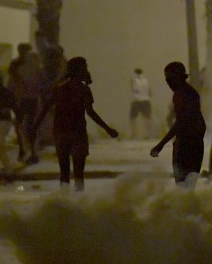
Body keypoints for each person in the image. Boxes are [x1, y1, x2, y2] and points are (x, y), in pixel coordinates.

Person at [33, 56, 118, 191]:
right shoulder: (83, 90)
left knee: (64, 173)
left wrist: (34, 127)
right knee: (79, 174)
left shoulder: (59, 88)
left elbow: (45, 108)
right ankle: (78, 202)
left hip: (60, 132)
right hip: (77, 133)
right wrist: (107, 129)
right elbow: (91, 113)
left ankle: (64, 201)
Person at [151, 61, 205, 186]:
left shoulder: (184, 94)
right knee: (187, 185)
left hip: (188, 144)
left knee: (183, 185)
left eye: (171, 78)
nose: (168, 82)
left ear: (180, 76)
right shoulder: (184, 93)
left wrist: (160, 145)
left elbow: (181, 122)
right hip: (191, 143)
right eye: (167, 79)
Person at [13, 44, 44, 164]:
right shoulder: (38, 71)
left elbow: (19, 88)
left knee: (20, 125)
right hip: (34, 100)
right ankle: (32, 152)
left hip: (25, 100)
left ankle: (24, 149)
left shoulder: (21, 70)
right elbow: (41, 88)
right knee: (31, 126)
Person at [129, 67, 152, 139]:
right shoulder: (146, 81)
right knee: (147, 118)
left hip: (137, 101)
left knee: (132, 118)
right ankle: (148, 134)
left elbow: (134, 90)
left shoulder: (134, 80)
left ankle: (134, 134)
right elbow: (150, 92)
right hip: (146, 101)